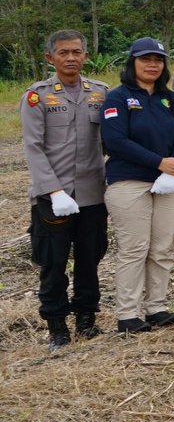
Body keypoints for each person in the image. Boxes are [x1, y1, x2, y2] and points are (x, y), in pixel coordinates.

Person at [21, 30, 111, 349]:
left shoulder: (101, 92)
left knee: (90, 260)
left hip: (91, 194)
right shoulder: (37, 95)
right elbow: (33, 147)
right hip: (52, 198)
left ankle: (86, 320)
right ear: (50, 58)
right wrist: (54, 191)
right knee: (53, 262)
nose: (70, 58)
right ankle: (57, 327)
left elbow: (110, 141)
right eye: (63, 53)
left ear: (86, 56)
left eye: (76, 52)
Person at [100, 38, 174, 333]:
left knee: (162, 247)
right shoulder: (118, 97)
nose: (152, 64)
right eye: (145, 59)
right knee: (134, 248)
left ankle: (157, 307)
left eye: (158, 60)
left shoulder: (170, 98)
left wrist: (173, 164)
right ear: (132, 63)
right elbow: (116, 141)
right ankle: (127, 313)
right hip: (129, 182)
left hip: (169, 182)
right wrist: (159, 163)